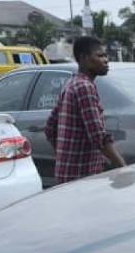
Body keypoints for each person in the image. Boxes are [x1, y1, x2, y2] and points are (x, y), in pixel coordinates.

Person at [44, 35, 125, 183]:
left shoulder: (71, 83)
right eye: (100, 56)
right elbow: (99, 137)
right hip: (82, 177)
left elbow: (50, 127)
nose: (106, 60)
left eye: (106, 56)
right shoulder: (84, 87)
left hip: (67, 174)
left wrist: (65, 155)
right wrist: (124, 168)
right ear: (84, 58)